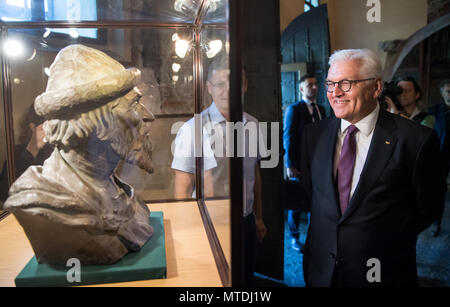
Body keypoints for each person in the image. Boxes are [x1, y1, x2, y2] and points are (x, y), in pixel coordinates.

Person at [300, 48, 446, 287]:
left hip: (383, 273)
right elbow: (315, 194)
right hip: (322, 272)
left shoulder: (416, 140)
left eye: (346, 84)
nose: (335, 92)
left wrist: (380, 237)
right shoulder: (313, 135)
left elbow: (429, 207)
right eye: (330, 83)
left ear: (376, 88)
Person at [2, 45, 155, 265]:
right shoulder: (42, 205)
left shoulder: (115, 187)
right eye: (133, 104)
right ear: (95, 123)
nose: (147, 116)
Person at [171, 55, 267, 285]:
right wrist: (186, 232)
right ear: (209, 88)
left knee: (245, 282)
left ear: (244, 84)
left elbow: (254, 174)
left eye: (234, 83)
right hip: (209, 225)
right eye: (220, 84)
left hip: (246, 224)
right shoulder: (192, 128)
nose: (227, 91)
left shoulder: (252, 124)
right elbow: (182, 186)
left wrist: (259, 218)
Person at [283, 74, 325, 252]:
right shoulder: (295, 109)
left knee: (316, 201)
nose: (313, 87)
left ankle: (315, 237)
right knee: (296, 202)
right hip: (299, 164)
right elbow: (288, 137)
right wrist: (290, 164)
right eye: (309, 85)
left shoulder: (321, 109)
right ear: (301, 89)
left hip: (319, 164)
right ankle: (294, 238)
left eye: (315, 84)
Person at [427, 79, 450, 236]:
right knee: (438, 192)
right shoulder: (433, 111)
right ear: (442, 93)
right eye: (448, 91)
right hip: (441, 156)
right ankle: (436, 222)